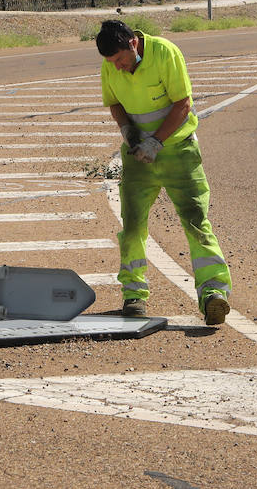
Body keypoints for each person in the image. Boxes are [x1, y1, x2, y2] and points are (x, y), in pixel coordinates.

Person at [95, 19, 232, 326]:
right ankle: (134, 296)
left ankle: (213, 294)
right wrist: (129, 133)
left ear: (132, 44)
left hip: (178, 152)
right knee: (131, 226)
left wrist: (156, 142)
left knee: (196, 222)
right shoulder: (110, 66)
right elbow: (115, 104)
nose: (116, 67)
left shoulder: (165, 53)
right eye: (110, 62)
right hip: (137, 157)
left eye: (119, 59)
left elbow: (183, 104)